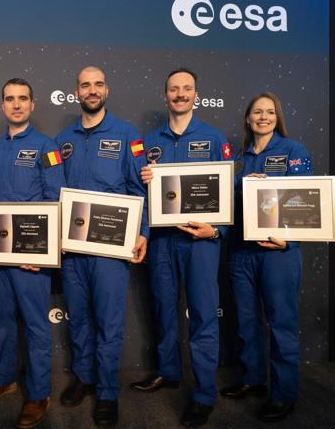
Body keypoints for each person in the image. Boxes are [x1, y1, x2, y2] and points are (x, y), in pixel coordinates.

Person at [131, 68, 232, 427]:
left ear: (196, 94)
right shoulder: (146, 142)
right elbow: (138, 194)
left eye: (187, 88)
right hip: (161, 240)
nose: (180, 94)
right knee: (163, 308)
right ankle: (168, 371)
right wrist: (144, 180)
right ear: (165, 96)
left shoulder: (213, 137)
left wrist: (217, 229)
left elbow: (226, 190)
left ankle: (204, 394)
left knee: (203, 313)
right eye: (174, 89)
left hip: (199, 240)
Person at [55, 65, 148, 427]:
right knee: (79, 318)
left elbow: (139, 189)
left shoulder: (127, 135)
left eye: (97, 84)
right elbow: (54, 193)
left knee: (109, 322)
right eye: (84, 85)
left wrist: (143, 232)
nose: (91, 90)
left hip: (112, 247)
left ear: (106, 89)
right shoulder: (63, 140)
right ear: (76, 92)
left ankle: (107, 391)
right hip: (74, 248)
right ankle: (84, 376)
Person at [0, 78, 65, 429]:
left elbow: (56, 198)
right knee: (1, 321)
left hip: (30, 253)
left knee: (36, 325)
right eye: (9, 99)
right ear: (2, 106)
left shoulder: (47, 146)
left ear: (33, 105)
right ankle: (5, 378)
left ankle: (39, 392)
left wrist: (41, 251)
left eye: (22, 98)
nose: (16, 104)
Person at [220, 92, 313, 423]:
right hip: (242, 252)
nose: (263, 117)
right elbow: (225, 202)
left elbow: (306, 202)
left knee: (281, 325)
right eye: (257, 112)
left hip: (277, 253)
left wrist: (288, 240)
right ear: (248, 118)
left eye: (269, 112)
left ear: (277, 117)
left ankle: (284, 394)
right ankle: (253, 379)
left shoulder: (293, 151)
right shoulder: (239, 159)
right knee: (246, 322)